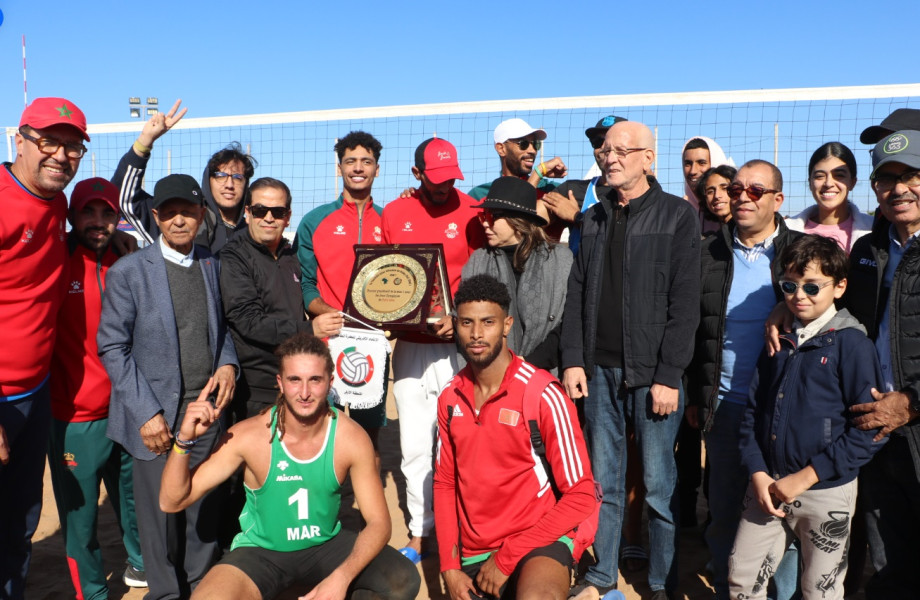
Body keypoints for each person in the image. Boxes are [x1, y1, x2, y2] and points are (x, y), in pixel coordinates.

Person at [158, 332, 420, 600]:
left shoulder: (350, 437)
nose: (304, 392)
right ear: (280, 383)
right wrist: (184, 442)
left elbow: (379, 523)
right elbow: (172, 502)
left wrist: (340, 579)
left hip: (325, 546)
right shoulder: (249, 436)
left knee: (402, 581)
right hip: (262, 552)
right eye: (295, 380)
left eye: (314, 380)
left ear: (330, 382)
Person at [560, 120, 700, 600]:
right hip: (599, 372)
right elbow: (578, 292)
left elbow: (685, 306)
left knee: (660, 488)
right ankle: (603, 573)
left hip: (653, 376)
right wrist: (574, 359)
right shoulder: (594, 218)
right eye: (605, 150)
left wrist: (668, 376)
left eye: (622, 150)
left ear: (648, 158)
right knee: (604, 482)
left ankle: (661, 581)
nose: (610, 157)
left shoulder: (678, 216)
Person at [98, 173, 239, 600]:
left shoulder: (211, 265)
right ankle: (164, 594)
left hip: (205, 413)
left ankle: (199, 587)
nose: (180, 220)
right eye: (170, 212)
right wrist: (146, 413)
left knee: (201, 513)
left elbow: (222, 329)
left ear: (202, 215)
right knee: (160, 519)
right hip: (156, 421)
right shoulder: (129, 273)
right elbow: (112, 347)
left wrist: (228, 364)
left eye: (188, 211)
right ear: (156, 216)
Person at [729, 235, 885, 600]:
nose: (799, 295)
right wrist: (757, 471)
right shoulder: (779, 340)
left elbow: (870, 430)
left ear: (840, 286)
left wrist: (806, 477)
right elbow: (753, 412)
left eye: (812, 286)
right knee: (742, 577)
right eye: (790, 285)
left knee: (821, 589)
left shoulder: (853, 346)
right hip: (766, 485)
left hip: (827, 491)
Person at [434, 274, 596, 600]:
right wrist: (450, 566)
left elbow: (582, 494)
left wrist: (507, 558)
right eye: (466, 322)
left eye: (488, 322)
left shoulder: (542, 394)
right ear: (455, 324)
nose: (477, 334)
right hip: (476, 549)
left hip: (538, 538)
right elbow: (444, 483)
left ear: (506, 325)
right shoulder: (449, 398)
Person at [687, 159, 802, 600]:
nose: (742, 197)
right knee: (723, 509)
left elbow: (836, 316)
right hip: (725, 404)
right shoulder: (707, 253)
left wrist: (786, 305)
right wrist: (699, 396)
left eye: (756, 190)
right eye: (736, 189)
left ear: (777, 200)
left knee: (782, 511)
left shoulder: (801, 251)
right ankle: (725, 588)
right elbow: (697, 331)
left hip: (785, 407)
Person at [0, 97, 90, 599]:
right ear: (19, 139)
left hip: (33, 391)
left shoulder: (57, 204)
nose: (61, 154)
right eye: (49, 141)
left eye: (72, 145)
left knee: (22, 517)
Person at [381, 137, 485, 561]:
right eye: (435, 179)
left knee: (464, 439)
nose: (444, 187)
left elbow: (483, 279)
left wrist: (459, 317)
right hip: (410, 345)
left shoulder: (474, 213)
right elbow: (383, 278)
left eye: (450, 178)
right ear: (416, 174)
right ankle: (421, 531)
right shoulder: (395, 212)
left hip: (457, 347)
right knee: (413, 443)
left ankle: (467, 529)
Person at [48, 178, 146, 598]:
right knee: (81, 519)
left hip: (127, 409)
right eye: (89, 212)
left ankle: (142, 566)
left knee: (135, 504)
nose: (98, 222)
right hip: (75, 416)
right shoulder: (53, 261)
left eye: (108, 214)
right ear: (72, 215)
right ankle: (92, 592)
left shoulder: (129, 260)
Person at [840, 130, 920, 598]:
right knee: (889, 558)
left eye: (910, 175)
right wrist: (782, 310)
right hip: (875, 427)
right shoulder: (868, 251)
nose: (898, 189)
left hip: (910, 417)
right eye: (886, 179)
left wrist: (910, 401)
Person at [221, 177, 338, 419]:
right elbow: (249, 322)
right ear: (247, 212)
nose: (268, 217)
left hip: (295, 381)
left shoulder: (290, 256)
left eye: (278, 211)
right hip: (255, 389)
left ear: (288, 216)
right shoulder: (233, 257)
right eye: (260, 210)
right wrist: (309, 329)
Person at [294, 131, 381, 432]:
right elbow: (307, 285)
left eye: (366, 161)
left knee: (368, 434)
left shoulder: (389, 220)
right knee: (320, 426)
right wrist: (329, 313)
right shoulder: (314, 221)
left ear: (377, 169)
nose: (358, 168)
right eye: (351, 161)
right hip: (327, 338)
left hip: (374, 341)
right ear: (339, 167)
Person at [113, 99, 257, 253]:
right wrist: (145, 140)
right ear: (208, 180)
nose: (229, 184)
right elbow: (120, 194)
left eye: (237, 177)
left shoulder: (254, 233)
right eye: (221, 175)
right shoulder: (177, 221)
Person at [462, 176, 572, 371]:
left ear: (518, 221)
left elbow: (570, 322)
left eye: (491, 217)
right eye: (482, 216)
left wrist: (529, 363)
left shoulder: (560, 260)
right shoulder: (478, 261)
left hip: (545, 373)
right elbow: (465, 320)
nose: (485, 224)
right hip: (489, 374)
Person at [541, 115, 626, 253]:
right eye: (598, 142)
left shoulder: (643, 195)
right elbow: (524, 222)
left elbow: (626, 236)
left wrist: (576, 217)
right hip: (578, 273)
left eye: (612, 141)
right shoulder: (573, 190)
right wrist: (537, 173)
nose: (604, 148)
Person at [784, 142, 873, 252]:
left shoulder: (874, 229)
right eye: (819, 176)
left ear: (853, 182)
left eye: (839, 175)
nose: (828, 183)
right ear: (810, 182)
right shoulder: (785, 231)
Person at [469, 118, 566, 201]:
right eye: (524, 144)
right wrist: (538, 172)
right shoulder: (479, 195)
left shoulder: (551, 190)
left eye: (535, 144)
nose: (532, 150)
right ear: (501, 149)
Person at [680, 137, 734, 235]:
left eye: (701, 163)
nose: (693, 171)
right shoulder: (682, 212)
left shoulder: (739, 213)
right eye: (687, 164)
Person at [694, 165, 736, 230]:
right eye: (710, 191)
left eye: (724, 188)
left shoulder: (750, 234)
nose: (716, 196)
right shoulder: (710, 239)